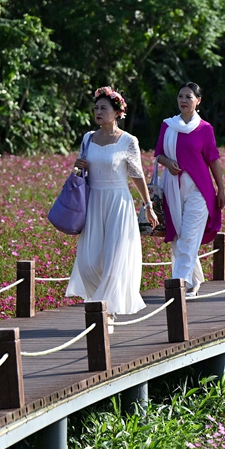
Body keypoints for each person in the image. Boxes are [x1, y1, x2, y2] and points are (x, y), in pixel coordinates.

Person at [66, 87, 156, 329]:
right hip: (93, 201)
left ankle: (105, 311)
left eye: (103, 108)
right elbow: (80, 172)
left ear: (117, 112)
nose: (98, 111)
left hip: (119, 203)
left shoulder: (129, 141)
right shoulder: (87, 138)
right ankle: (100, 302)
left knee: (115, 259)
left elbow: (137, 175)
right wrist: (77, 167)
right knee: (88, 262)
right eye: (96, 108)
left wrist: (148, 205)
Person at [154, 82, 225, 299]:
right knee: (179, 237)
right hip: (172, 189)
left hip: (199, 191)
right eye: (180, 96)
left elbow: (213, 160)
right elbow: (158, 153)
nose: (183, 100)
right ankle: (195, 279)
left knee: (188, 236)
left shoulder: (205, 129)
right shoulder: (168, 125)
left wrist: (221, 189)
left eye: (188, 97)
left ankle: (179, 283)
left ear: (198, 100)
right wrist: (167, 162)